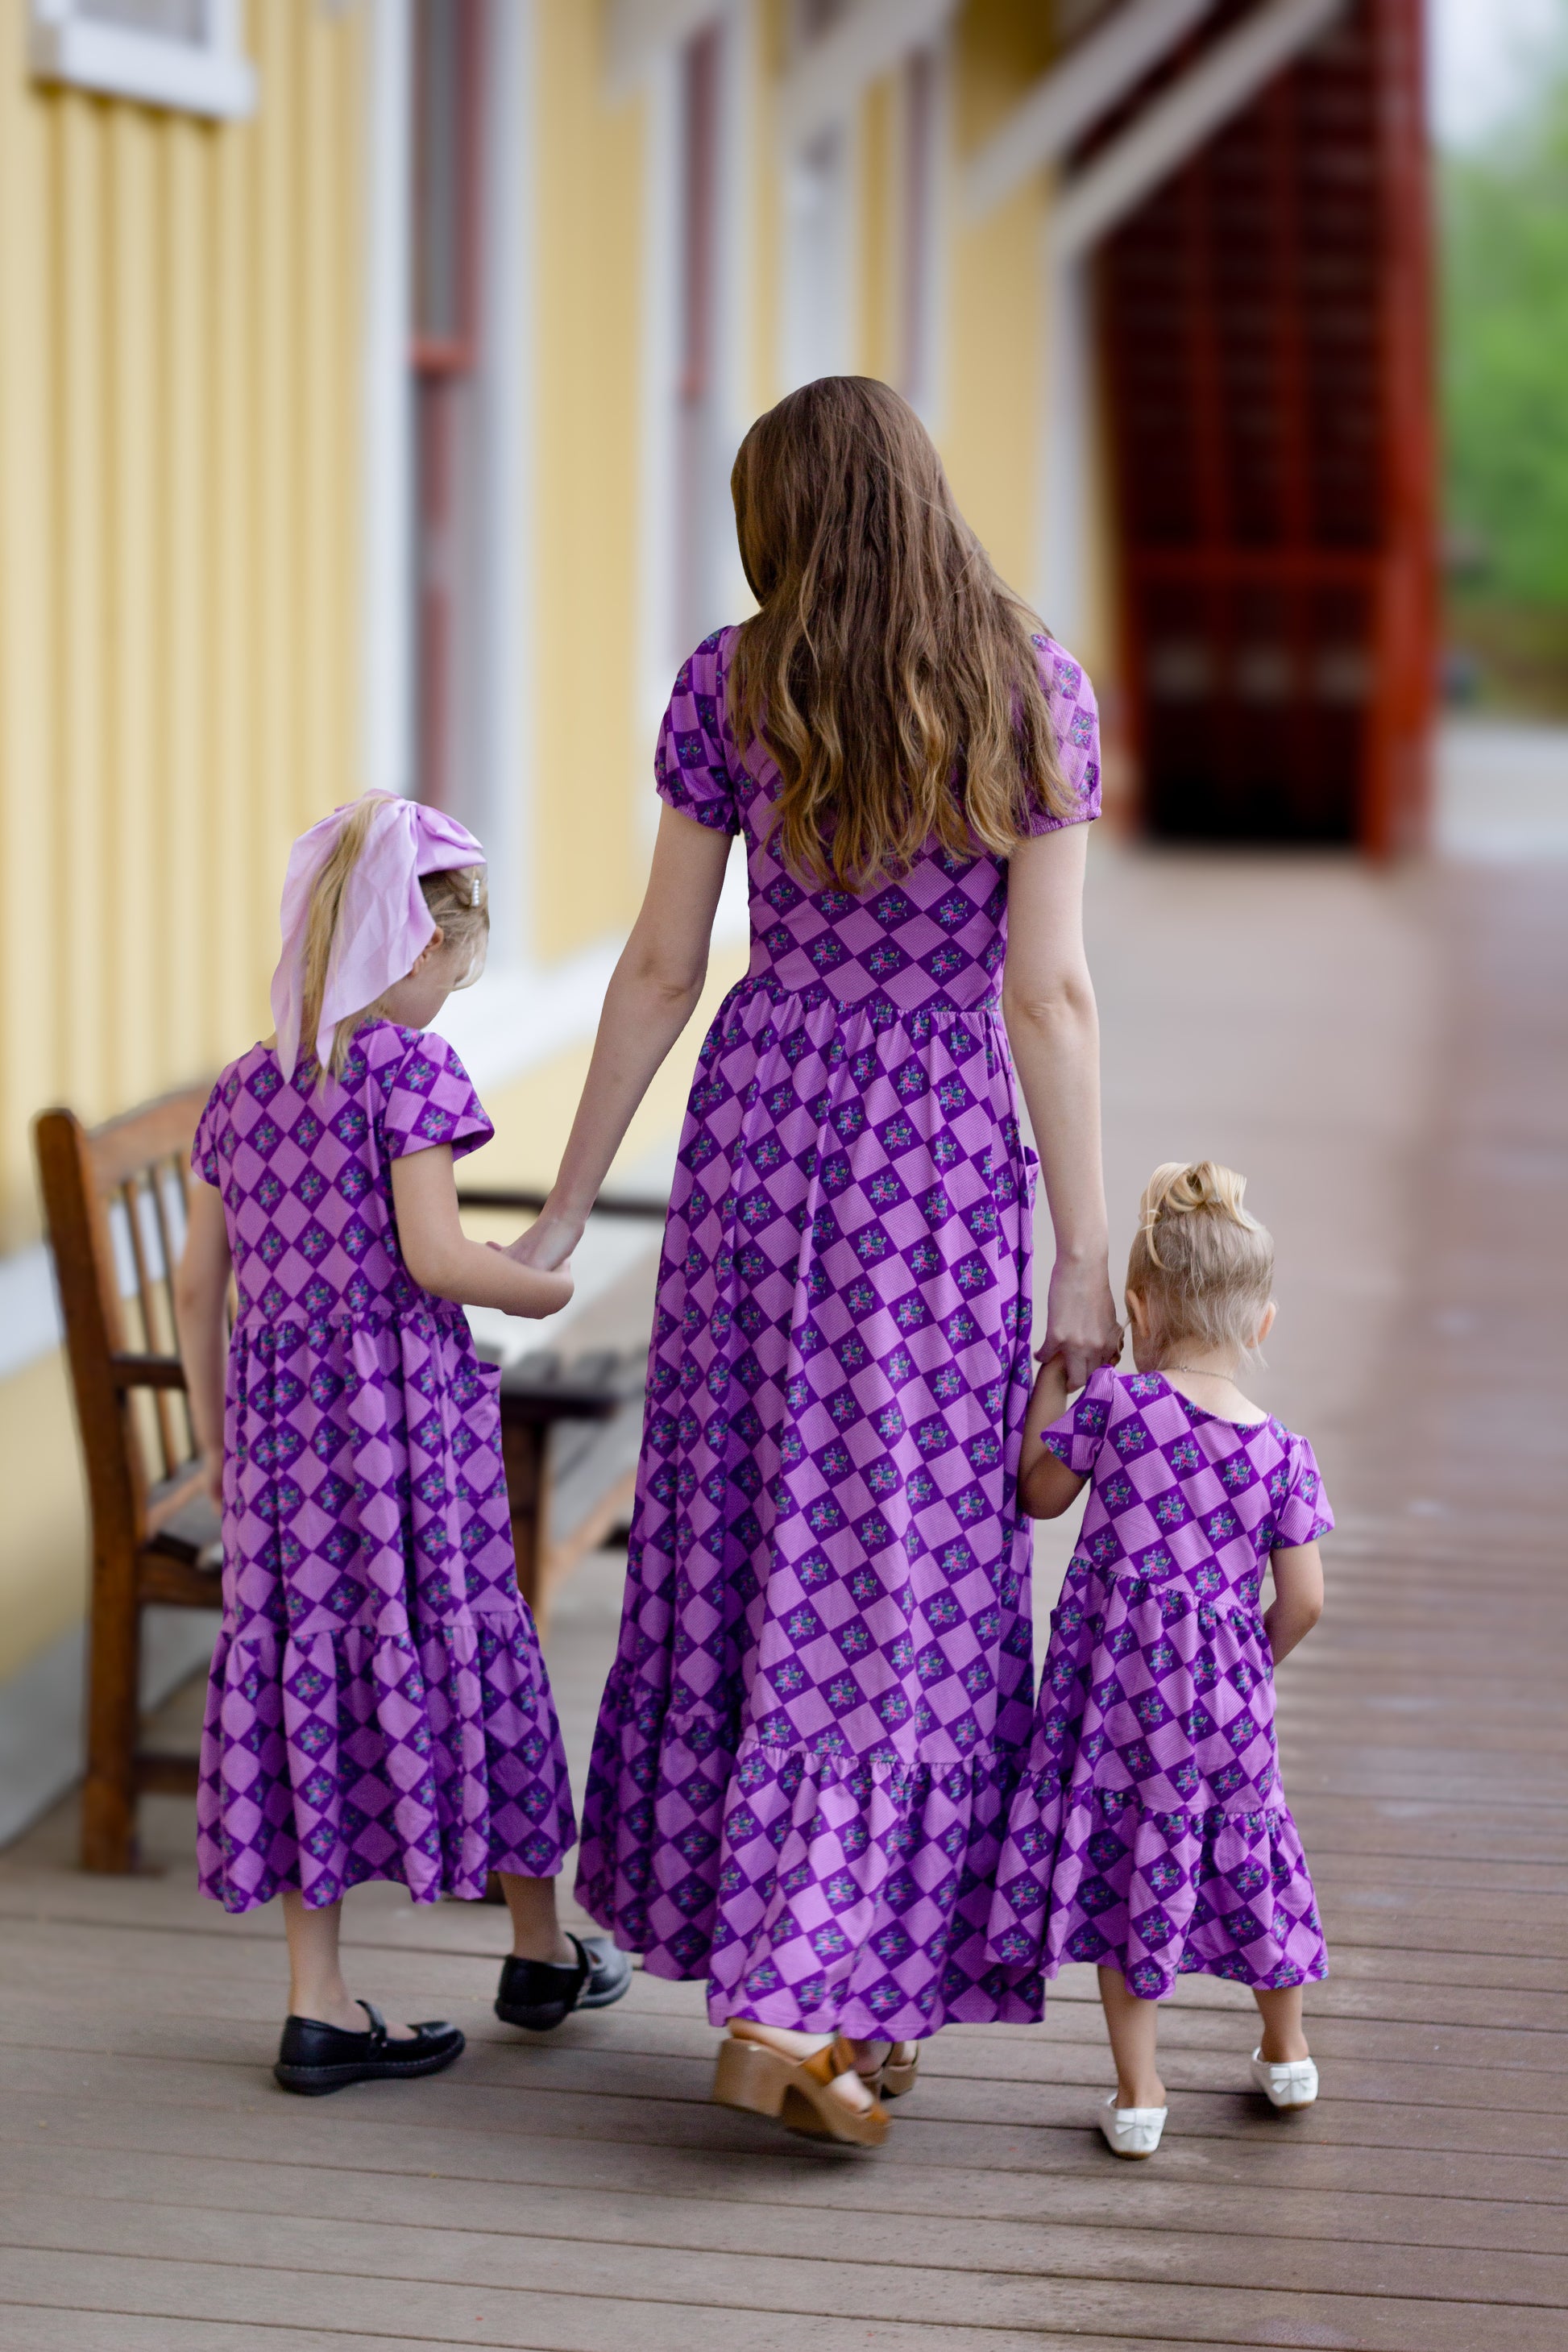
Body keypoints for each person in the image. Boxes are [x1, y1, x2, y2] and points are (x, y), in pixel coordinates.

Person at [506, 376, 1121, 2144]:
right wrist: (1084, 1253)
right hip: (930, 1160)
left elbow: (652, 964)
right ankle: (800, 1999)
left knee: (754, 1527)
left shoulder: (732, 679)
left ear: (784, 519)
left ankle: (825, 1985)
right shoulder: (1029, 688)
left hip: (760, 1134)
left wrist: (563, 1202)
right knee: (894, 1560)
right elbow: (1047, 991)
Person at [175, 792, 632, 2097]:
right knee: (472, 1636)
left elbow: (197, 1289)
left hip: (281, 1451)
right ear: (407, 946)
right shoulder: (409, 1071)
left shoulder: (243, 1087)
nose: (452, 990)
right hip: (403, 1440)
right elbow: (435, 1256)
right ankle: (539, 1946)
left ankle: (316, 2001)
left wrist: (223, 1449)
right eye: (452, 963)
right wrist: (540, 1283)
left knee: (296, 1669)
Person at [989, 1160, 1331, 2159]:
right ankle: (1286, 2049)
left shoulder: (1116, 1408)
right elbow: (1304, 1599)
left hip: (1111, 1704)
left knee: (1119, 1872)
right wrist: (1248, 1665)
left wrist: (1050, 1382)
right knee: (1252, 1851)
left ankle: (1139, 2096)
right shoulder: (1282, 1453)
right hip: (1224, 1705)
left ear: (1136, 1308)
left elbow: (1036, 1495)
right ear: (1260, 1325)